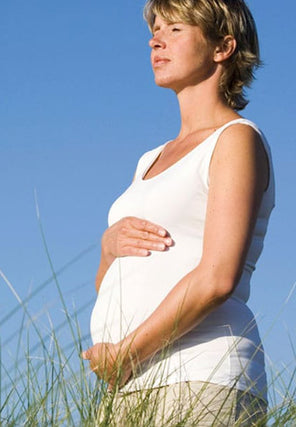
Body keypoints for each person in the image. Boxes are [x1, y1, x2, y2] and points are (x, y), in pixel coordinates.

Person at [81, 0, 273, 424]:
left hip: (203, 378)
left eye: (175, 29)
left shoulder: (236, 139)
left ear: (223, 47)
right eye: (155, 28)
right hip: (130, 387)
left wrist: (127, 354)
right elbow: (113, 286)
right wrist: (108, 248)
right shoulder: (149, 159)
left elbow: (217, 277)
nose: (156, 39)